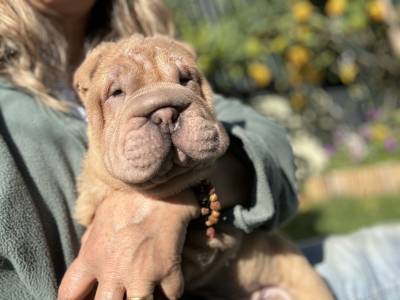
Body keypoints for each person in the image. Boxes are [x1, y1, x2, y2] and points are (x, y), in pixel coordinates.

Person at [0, 0, 298, 299]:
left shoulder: (148, 47)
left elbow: (272, 143)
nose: (165, 115)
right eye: (117, 92)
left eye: (183, 80)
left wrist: (174, 198)